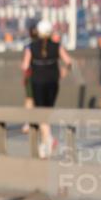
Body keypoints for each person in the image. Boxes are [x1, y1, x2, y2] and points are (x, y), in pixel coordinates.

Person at [21, 20, 73, 158]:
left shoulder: (31, 47)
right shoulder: (57, 46)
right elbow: (68, 61)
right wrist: (64, 72)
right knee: (47, 111)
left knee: (41, 112)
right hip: (53, 82)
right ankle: (45, 144)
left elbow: (25, 66)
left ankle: (47, 140)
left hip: (37, 82)